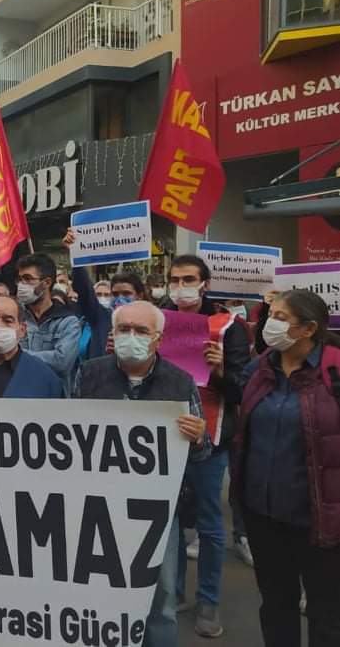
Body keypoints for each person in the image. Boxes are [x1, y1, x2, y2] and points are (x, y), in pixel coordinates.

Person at [75, 301, 209, 647]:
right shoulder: (89, 374)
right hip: (98, 507)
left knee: (160, 599)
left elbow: (202, 452)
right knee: (97, 590)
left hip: (157, 512)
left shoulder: (181, 383)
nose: (131, 336)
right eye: (124, 329)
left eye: (141, 331)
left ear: (158, 339)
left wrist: (197, 437)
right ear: (112, 333)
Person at [232, 290, 340, 647]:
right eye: (270, 315)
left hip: (321, 520)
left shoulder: (334, 372)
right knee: (277, 606)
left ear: (308, 329)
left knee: (326, 614)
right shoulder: (259, 368)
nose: (269, 323)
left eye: (281, 317)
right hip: (263, 516)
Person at [167, 254, 250, 638]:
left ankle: (208, 600)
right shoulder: (160, 317)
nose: (180, 286)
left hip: (210, 438)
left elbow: (241, 390)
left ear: (205, 283)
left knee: (209, 524)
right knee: (168, 522)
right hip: (165, 436)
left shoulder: (229, 326)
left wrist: (219, 371)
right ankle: (173, 592)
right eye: (174, 279)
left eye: (188, 279)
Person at [15, 254, 82, 392]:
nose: (21, 285)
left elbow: (62, 363)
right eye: (20, 279)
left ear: (46, 282)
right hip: (17, 395)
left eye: (28, 279)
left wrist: (16, 354)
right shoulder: (14, 316)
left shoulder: (68, 321)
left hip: (52, 398)